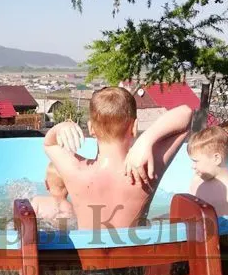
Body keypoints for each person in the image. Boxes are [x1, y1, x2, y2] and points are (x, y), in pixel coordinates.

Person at [43, 86, 192, 230]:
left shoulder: (75, 172)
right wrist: (146, 140)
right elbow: (186, 113)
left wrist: (60, 127)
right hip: (135, 248)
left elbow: (49, 144)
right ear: (134, 127)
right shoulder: (145, 170)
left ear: (91, 128)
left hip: (88, 248)